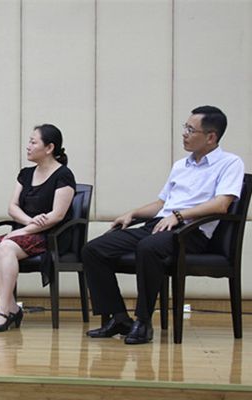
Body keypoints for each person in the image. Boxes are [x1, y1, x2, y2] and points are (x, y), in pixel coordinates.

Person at [83, 105, 245, 344]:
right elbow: (161, 203)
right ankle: (119, 318)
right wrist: (133, 213)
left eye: (191, 130)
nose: (184, 134)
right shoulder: (181, 165)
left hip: (192, 232)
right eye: (185, 127)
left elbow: (221, 205)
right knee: (93, 249)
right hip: (161, 225)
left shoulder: (230, 163)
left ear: (211, 137)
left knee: (149, 247)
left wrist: (179, 216)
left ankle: (143, 321)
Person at [0, 124, 76, 333]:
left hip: (51, 235)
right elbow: (12, 207)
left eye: (33, 142)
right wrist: (28, 223)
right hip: (26, 230)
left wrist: (26, 230)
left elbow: (57, 215)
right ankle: (12, 307)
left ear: (49, 148)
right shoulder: (25, 174)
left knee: (6, 246)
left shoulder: (64, 175)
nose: (28, 146)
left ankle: (2, 309)